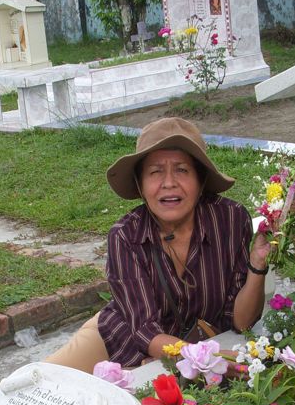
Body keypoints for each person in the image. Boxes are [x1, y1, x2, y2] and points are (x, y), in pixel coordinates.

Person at [46, 117, 270, 372]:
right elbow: (145, 332)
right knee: (41, 382)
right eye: (155, 172)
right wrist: (204, 360)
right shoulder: (126, 236)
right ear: (141, 186)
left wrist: (257, 264)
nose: (169, 183)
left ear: (201, 181)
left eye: (182, 170)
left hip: (195, 348)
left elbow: (241, 322)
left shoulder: (230, 220)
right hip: (123, 336)